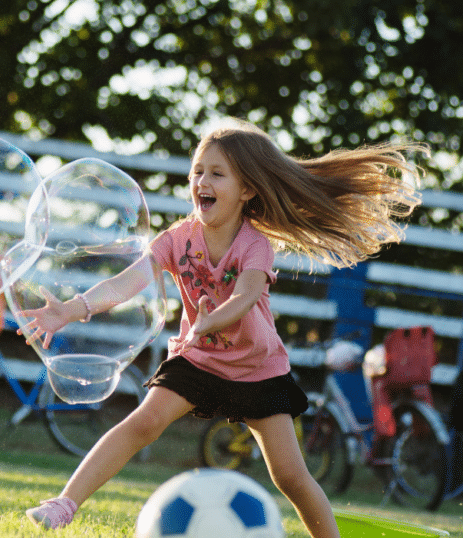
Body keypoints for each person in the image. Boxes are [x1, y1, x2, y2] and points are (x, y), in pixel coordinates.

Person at [21, 119, 425, 537]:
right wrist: (72, 309)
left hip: (257, 370)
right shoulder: (177, 238)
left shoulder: (255, 244)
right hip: (198, 359)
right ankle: (63, 505)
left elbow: (246, 295)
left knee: (290, 476)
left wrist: (213, 319)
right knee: (143, 423)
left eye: (217, 174)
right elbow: (127, 281)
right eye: (197, 171)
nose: (202, 181)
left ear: (247, 189)